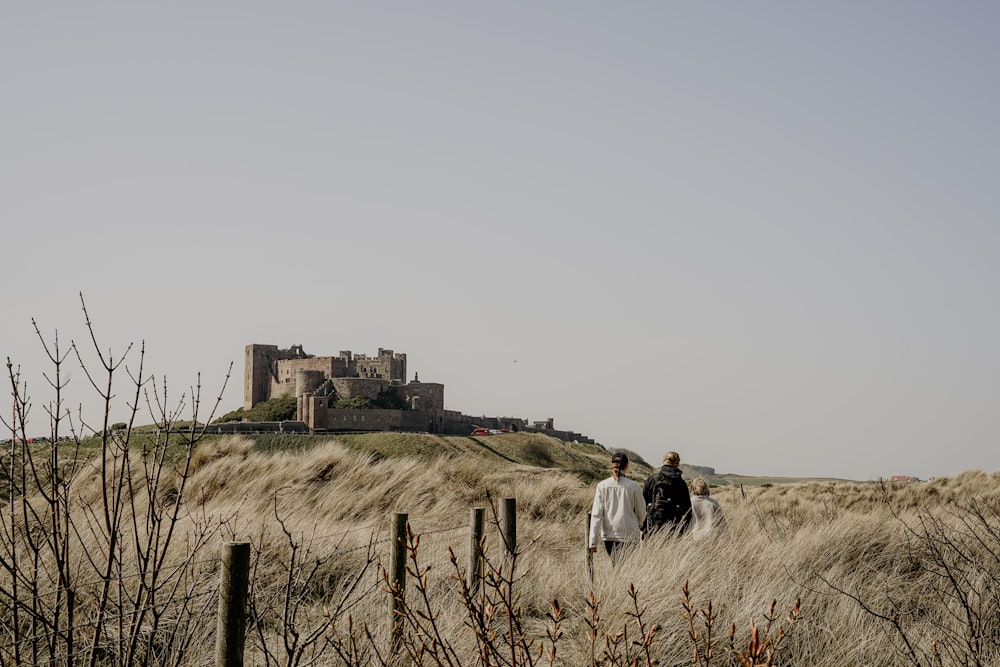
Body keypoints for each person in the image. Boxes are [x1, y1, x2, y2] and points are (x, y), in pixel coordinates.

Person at [589, 452, 646, 565]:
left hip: (609, 535)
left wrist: (593, 542)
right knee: (626, 567)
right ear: (626, 467)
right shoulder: (634, 486)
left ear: (611, 465)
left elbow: (596, 515)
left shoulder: (602, 486)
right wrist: (639, 525)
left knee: (616, 565)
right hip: (629, 534)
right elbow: (641, 511)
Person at [642, 451, 692, 536]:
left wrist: (643, 527)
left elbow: (643, 504)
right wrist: (684, 529)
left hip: (653, 526)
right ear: (677, 463)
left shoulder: (652, 479)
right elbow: (687, 508)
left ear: (664, 461)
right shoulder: (681, 483)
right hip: (674, 528)